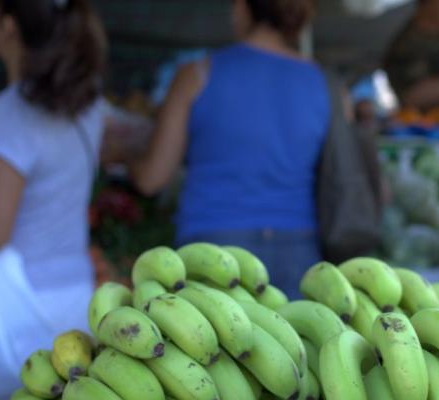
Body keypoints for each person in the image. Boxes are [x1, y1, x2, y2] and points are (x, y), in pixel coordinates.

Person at [0, 0, 107, 400]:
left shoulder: (10, 112)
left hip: (18, 312)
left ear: (9, 26)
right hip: (76, 303)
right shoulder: (89, 105)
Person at [129, 0, 329, 298]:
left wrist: (124, 157)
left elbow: (152, 178)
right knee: (295, 344)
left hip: (213, 245)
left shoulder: (197, 74)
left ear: (240, 9)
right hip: (298, 247)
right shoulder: (321, 81)